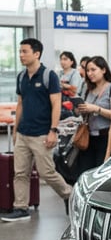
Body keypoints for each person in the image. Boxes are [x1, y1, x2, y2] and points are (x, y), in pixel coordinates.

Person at [2, 38, 72, 222]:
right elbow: (20, 105)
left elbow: (56, 104)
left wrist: (53, 130)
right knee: (20, 173)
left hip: (42, 133)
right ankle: (21, 207)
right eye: (20, 51)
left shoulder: (49, 76)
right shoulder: (21, 77)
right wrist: (16, 130)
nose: (21, 55)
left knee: (46, 172)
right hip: (24, 133)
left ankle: (70, 196)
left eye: (24, 51)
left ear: (36, 53)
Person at [75, 56, 111, 174]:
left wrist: (96, 109)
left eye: (93, 70)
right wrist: (80, 109)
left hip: (105, 137)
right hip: (88, 137)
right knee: (85, 172)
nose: (90, 73)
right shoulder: (88, 88)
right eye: (87, 70)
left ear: (103, 70)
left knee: (101, 172)